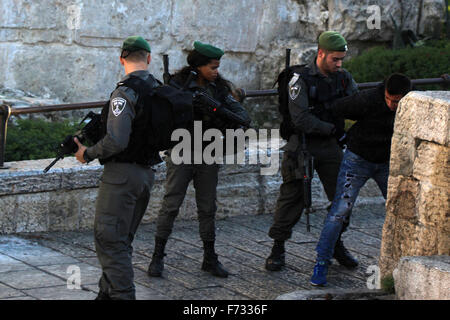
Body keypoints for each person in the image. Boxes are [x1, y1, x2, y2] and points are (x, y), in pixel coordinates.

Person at [147, 41, 251, 278]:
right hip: (182, 149)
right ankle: (157, 255)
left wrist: (216, 109)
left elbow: (241, 116)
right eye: (212, 67)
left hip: (208, 151)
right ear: (198, 66)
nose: (216, 71)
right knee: (171, 204)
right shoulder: (176, 86)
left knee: (207, 207)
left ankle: (209, 257)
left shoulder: (219, 89)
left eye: (217, 67)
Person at [74, 36, 161, 300]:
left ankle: (122, 294)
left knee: (110, 239)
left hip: (122, 175)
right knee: (121, 240)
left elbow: (117, 140)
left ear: (121, 58)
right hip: (146, 174)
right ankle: (106, 293)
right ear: (148, 58)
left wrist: (87, 153)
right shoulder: (158, 89)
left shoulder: (125, 92)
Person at [265, 31, 359, 272]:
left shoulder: (343, 77)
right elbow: (300, 118)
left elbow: (356, 105)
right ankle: (278, 247)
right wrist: (332, 129)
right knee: (292, 197)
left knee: (343, 197)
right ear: (321, 54)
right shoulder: (300, 79)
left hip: (330, 147)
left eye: (341, 60)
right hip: (303, 145)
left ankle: (335, 242)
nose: (339, 64)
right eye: (334, 59)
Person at [310, 73, 412, 286]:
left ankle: (406, 261)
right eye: (390, 100)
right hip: (357, 159)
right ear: (384, 92)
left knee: (400, 209)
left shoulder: (410, 105)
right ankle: (321, 261)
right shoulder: (367, 99)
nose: (393, 105)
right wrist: (340, 135)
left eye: (398, 101)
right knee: (340, 210)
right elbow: (336, 108)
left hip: (385, 162)